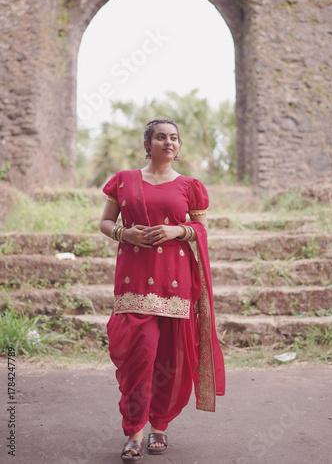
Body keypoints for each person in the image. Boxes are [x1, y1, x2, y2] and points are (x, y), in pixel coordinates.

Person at [100, 118, 225, 462]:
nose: (168, 142)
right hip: (135, 281)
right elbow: (105, 222)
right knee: (139, 357)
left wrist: (177, 232)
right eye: (160, 137)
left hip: (176, 283)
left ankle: (159, 426)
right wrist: (125, 234)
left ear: (178, 146)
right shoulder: (124, 181)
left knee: (171, 358)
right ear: (148, 143)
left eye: (173, 138)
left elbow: (200, 228)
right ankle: (133, 432)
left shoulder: (189, 186)